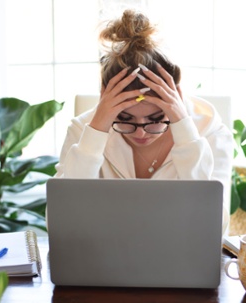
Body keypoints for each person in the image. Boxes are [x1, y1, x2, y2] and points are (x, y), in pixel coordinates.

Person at [54, 10, 233, 230]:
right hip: (103, 259)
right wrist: (97, 131)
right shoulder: (84, 130)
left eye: (156, 119)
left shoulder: (210, 132)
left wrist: (185, 132)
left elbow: (215, 226)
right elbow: (62, 222)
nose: (141, 133)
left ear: (177, 97)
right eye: (125, 119)